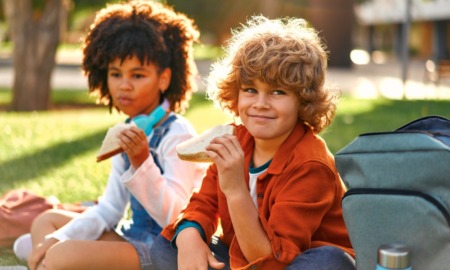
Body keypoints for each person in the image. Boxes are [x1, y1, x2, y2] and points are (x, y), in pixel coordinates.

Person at [150, 15, 355, 270]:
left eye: (278, 92)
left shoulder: (311, 164)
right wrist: (190, 235)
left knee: (331, 262)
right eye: (250, 89)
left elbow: (272, 260)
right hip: (241, 256)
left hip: (290, 261)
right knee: (167, 246)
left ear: (303, 100)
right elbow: (202, 204)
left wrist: (236, 188)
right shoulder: (233, 140)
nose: (260, 103)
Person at [13, 1, 205, 270]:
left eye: (137, 75)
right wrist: (57, 237)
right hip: (131, 239)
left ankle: (46, 258)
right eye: (116, 74)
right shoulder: (128, 129)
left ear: (164, 79)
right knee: (45, 223)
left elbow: (176, 218)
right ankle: (45, 254)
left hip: (165, 251)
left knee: (59, 256)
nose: (124, 85)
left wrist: (141, 162)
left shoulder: (177, 133)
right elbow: (110, 209)